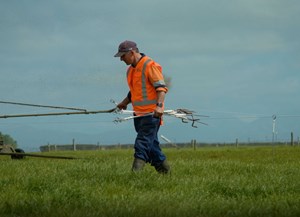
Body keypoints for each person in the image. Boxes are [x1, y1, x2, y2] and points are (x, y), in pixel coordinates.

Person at [114, 40, 170, 174]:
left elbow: (161, 88)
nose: (121, 59)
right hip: (138, 114)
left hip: (151, 114)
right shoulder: (130, 71)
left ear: (132, 52)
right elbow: (134, 92)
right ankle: (166, 172)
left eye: (123, 55)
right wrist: (124, 102)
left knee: (142, 143)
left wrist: (159, 106)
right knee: (151, 146)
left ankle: (135, 175)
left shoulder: (149, 65)